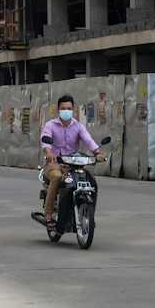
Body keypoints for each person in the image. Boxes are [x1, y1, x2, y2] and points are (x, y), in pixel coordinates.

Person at [38, 94, 104, 226]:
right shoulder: (50, 125)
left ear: (73, 110)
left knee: (92, 181)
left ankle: (89, 215)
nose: (66, 111)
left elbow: (88, 140)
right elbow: (45, 140)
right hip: (54, 164)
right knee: (56, 178)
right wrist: (49, 152)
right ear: (58, 110)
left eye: (69, 108)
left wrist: (97, 152)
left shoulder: (78, 126)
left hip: (74, 165)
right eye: (63, 108)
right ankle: (49, 214)